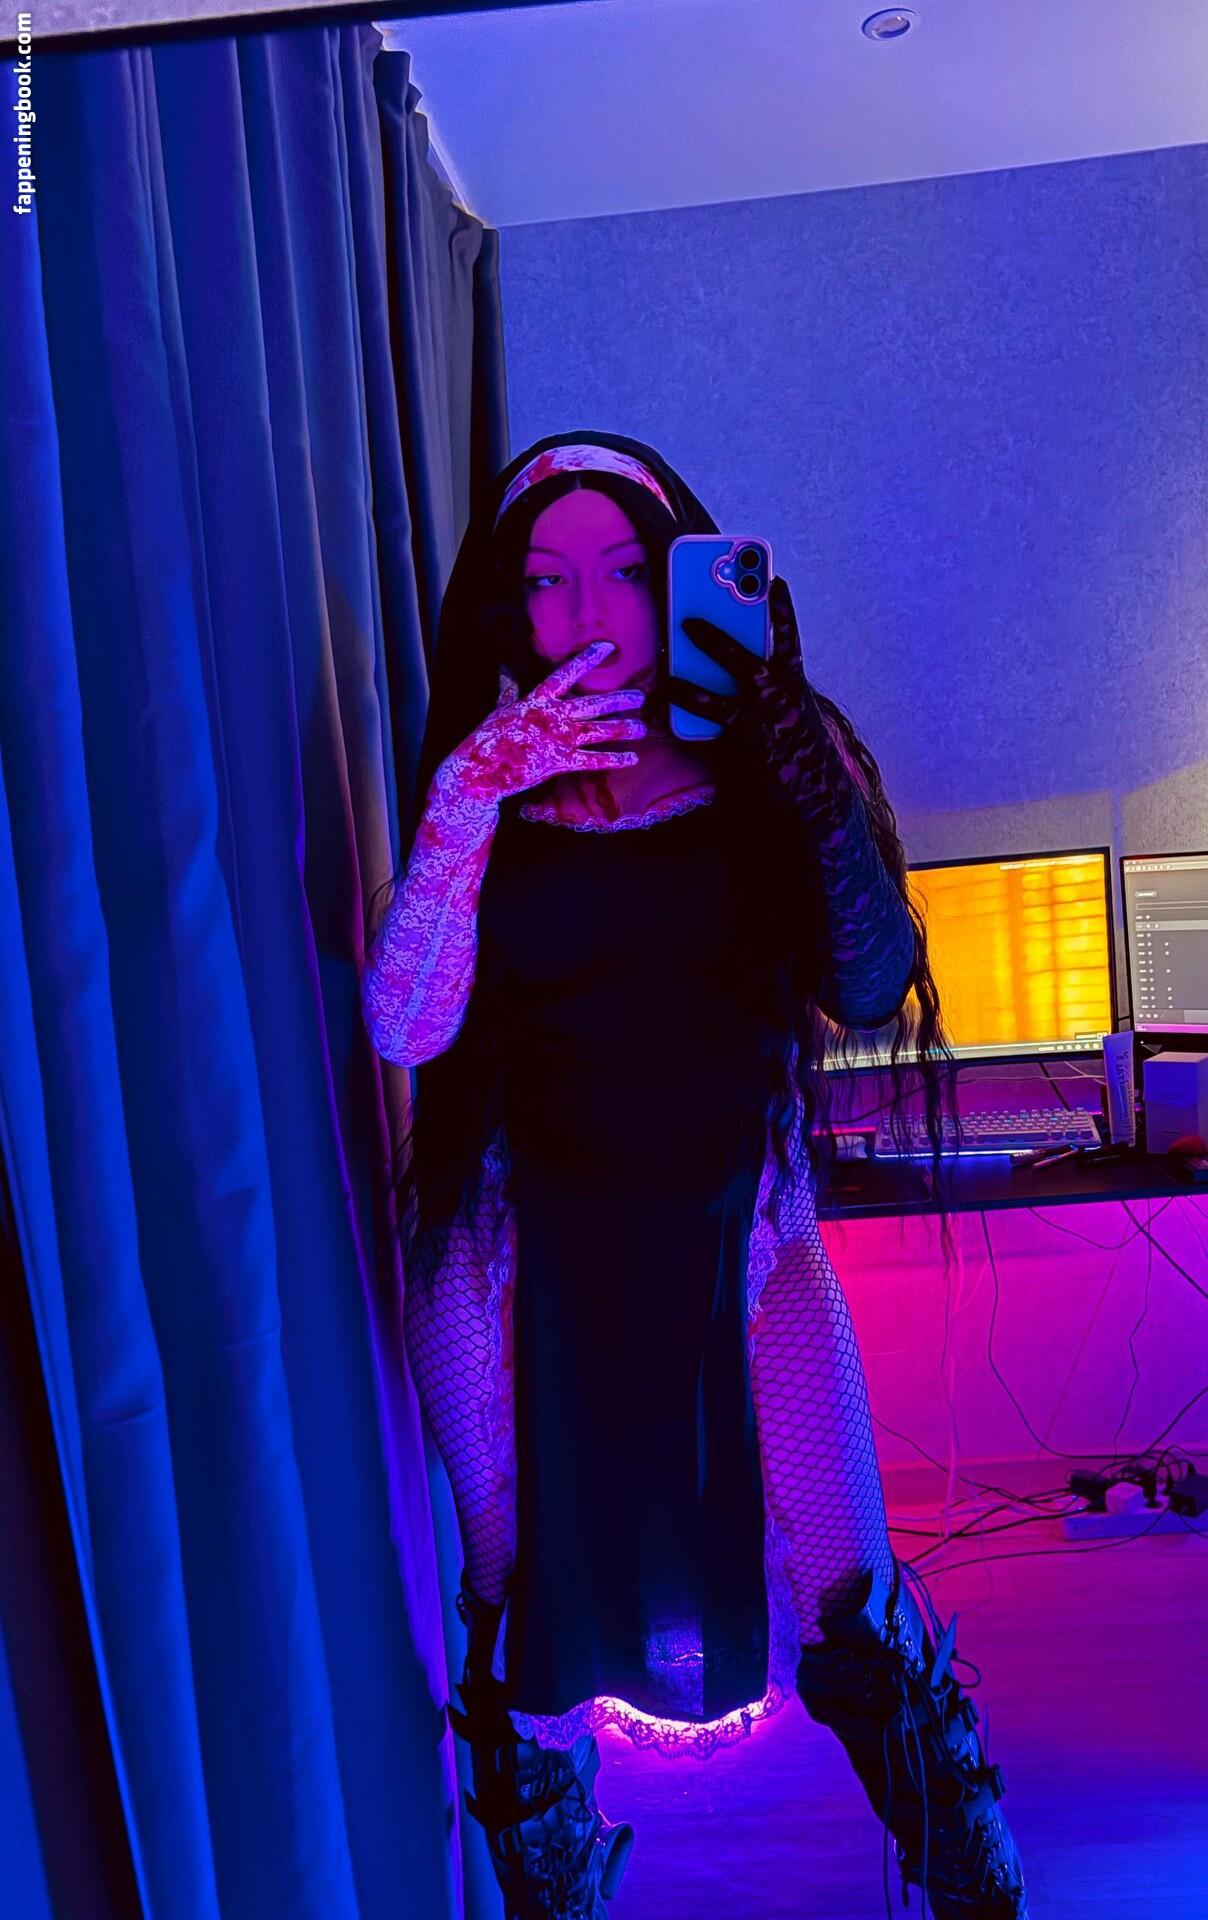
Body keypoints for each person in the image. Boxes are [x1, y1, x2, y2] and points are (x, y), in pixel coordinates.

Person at [362, 433, 1029, 1920]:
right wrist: (471, 793)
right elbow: (407, 1026)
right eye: (548, 581)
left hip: (744, 1234)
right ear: (509, 605)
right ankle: (556, 1893)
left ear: (682, 579)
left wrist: (793, 750)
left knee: (852, 1595)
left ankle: (975, 1886)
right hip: (517, 1257)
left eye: (623, 570)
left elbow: (872, 983)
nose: (586, 613)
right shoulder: (490, 772)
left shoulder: (768, 752)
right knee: (519, 1601)